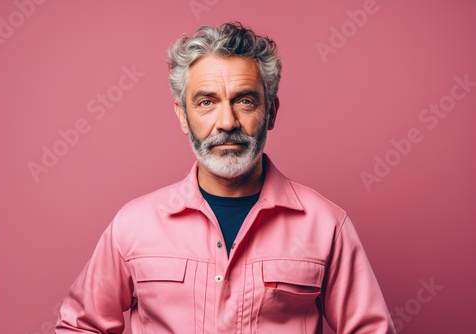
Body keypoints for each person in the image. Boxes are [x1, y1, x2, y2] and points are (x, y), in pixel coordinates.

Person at [56, 22, 395, 333]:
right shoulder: (133, 224)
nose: (227, 122)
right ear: (183, 116)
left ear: (271, 112)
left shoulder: (326, 225)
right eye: (206, 102)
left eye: (245, 101)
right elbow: (79, 326)